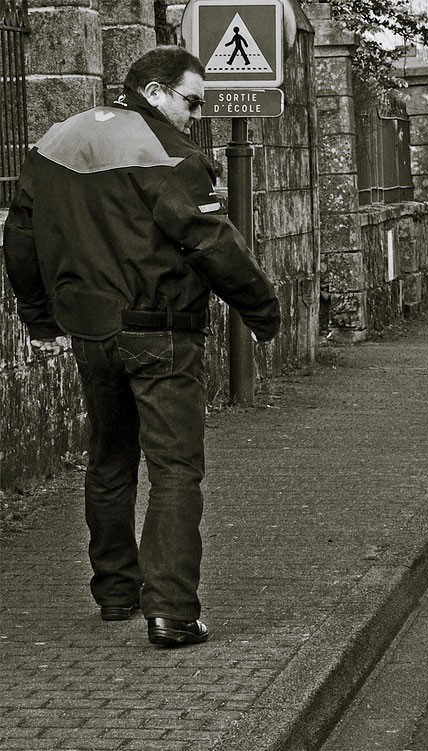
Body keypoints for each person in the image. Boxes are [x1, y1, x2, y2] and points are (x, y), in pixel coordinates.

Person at [2, 46, 280, 647]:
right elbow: (213, 244)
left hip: (91, 334)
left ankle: (116, 595)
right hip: (161, 333)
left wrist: (39, 315)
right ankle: (173, 612)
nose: (195, 115)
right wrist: (262, 310)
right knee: (176, 468)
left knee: (108, 459)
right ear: (154, 93)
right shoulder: (171, 155)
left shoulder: (56, 142)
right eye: (191, 101)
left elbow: (19, 235)